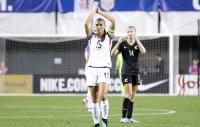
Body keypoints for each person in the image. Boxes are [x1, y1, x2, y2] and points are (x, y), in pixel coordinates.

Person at [84, 3, 115, 127]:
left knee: (103, 96)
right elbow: (86, 24)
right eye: (96, 24)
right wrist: (93, 12)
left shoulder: (109, 36)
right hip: (91, 69)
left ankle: (105, 121)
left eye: (100, 24)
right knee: (94, 99)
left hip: (104, 69)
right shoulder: (91, 37)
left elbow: (113, 20)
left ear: (104, 26)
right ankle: (96, 124)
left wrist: (100, 12)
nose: (98, 26)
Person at [111, 26, 146, 123]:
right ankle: (123, 117)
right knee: (129, 94)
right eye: (128, 32)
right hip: (126, 72)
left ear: (135, 32)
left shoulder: (137, 44)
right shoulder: (123, 44)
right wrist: (118, 42)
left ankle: (129, 118)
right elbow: (112, 53)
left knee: (133, 96)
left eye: (131, 31)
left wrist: (137, 38)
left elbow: (143, 51)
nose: (130, 33)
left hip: (136, 72)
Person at [82, 43, 93, 112]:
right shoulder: (89, 46)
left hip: (93, 69)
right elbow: (87, 59)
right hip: (90, 69)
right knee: (92, 86)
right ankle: (90, 107)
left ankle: (87, 100)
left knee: (94, 87)